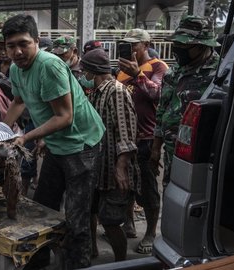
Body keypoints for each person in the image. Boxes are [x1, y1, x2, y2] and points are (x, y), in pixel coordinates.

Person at [1, 14, 105, 269]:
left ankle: (76, 265)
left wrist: (24, 137)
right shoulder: (15, 69)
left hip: (82, 145)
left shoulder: (49, 65)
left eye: (23, 43)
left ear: (36, 41)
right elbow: (18, 101)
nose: (17, 51)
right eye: (11, 45)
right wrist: (1, 134)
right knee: (41, 211)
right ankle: (39, 263)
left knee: (76, 221)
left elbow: (64, 117)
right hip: (57, 145)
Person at [80, 49, 139, 262]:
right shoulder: (96, 92)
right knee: (89, 211)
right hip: (99, 168)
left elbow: (126, 134)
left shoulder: (117, 91)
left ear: (92, 72)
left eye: (83, 71)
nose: (81, 76)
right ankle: (92, 251)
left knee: (111, 221)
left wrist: (121, 167)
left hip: (115, 171)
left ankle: (121, 262)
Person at [151, 16, 220, 189]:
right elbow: (162, 108)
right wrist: (155, 147)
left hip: (198, 158)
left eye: (184, 45)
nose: (178, 49)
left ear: (202, 46)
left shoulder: (219, 75)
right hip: (171, 151)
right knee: (171, 194)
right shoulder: (174, 72)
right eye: (177, 44)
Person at [116, 28, 169, 254]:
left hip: (146, 138)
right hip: (124, 137)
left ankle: (150, 232)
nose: (130, 50)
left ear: (146, 45)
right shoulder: (122, 69)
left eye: (134, 45)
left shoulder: (159, 67)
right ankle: (128, 222)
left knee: (148, 189)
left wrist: (138, 74)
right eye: (127, 45)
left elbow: (157, 94)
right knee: (125, 185)